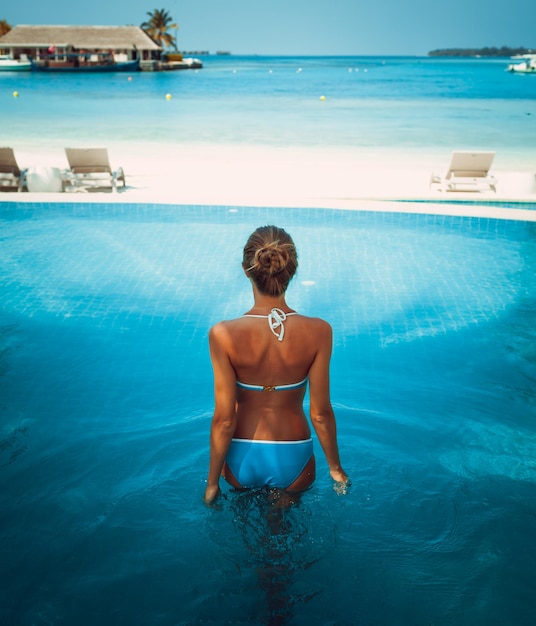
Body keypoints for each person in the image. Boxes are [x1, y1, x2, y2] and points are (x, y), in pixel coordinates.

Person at [204, 225, 348, 504]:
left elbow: (223, 420)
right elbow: (320, 414)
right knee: (282, 537)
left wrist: (211, 484)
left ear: (247, 270)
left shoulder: (222, 334)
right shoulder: (319, 331)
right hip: (293, 456)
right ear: (292, 270)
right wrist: (336, 468)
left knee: (245, 534)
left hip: (240, 459)